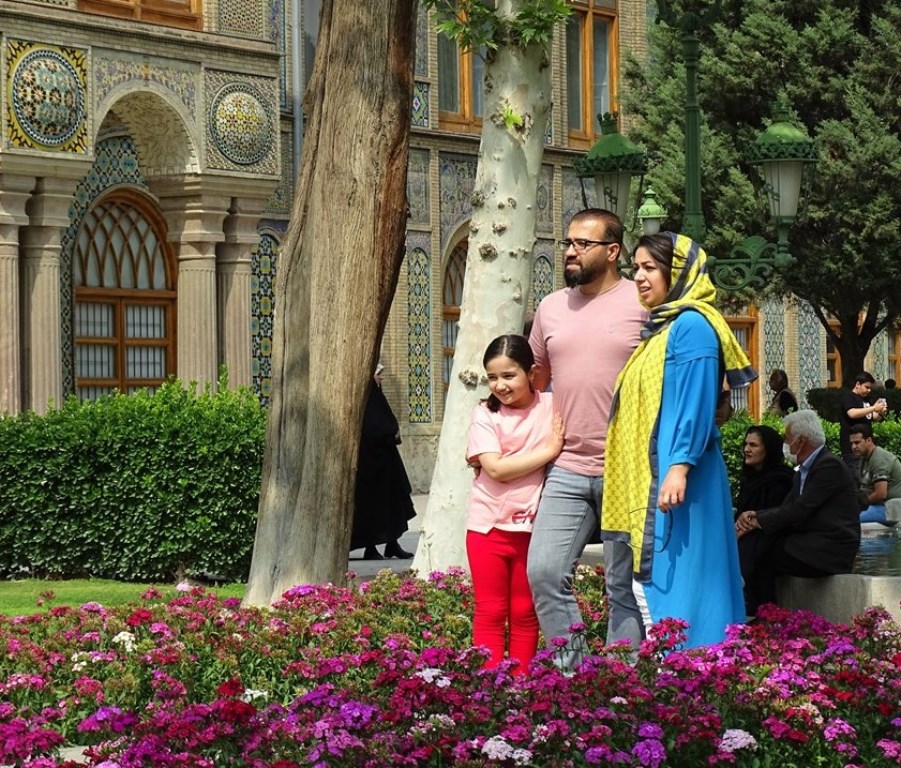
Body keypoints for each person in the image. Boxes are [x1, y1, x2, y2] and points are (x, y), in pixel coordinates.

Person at [601, 232, 754, 649]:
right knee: (670, 583)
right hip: (664, 476)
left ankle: (698, 680)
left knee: (687, 582)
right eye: (636, 268)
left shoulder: (692, 326)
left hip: (678, 481)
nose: (639, 277)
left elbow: (695, 403)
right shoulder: (664, 327)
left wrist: (680, 466)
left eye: (650, 267)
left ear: (679, 272)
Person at [526, 207, 647, 669]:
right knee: (544, 572)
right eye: (568, 243)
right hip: (567, 467)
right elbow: (535, 378)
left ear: (613, 251)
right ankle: (574, 677)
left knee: (623, 584)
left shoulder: (642, 304)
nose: (570, 251)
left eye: (582, 244)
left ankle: (621, 682)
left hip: (628, 471)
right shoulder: (550, 307)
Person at [465, 335, 564, 674]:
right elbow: (495, 468)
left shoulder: (552, 406)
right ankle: (490, 687)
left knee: (525, 611)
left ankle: (521, 685)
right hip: (487, 528)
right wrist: (548, 452)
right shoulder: (484, 414)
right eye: (492, 377)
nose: (500, 385)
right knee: (491, 611)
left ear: (531, 372)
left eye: (509, 375)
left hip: (532, 529)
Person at [736, 410, 860, 617]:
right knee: (760, 545)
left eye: (787, 439)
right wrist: (754, 516)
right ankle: (761, 611)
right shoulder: (804, 470)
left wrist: (757, 520)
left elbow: (800, 509)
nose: (785, 444)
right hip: (808, 542)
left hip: (829, 549)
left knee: (762, 549)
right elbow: (787, 507)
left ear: (800, 441)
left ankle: (763, 613)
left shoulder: (828, 465)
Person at [350, 364, 416, 560]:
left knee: (393, 505)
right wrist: (390, 432)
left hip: (385, 464)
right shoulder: (366, 398)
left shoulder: (376, 397)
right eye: (379, 375)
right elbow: (372, 427)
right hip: (371, 464)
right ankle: (371, 548)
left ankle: (392, 545)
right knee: (373, 507)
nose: (381, 379)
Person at [735, 425, 795, 516]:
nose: (746, 450)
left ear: (769, 449)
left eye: (753, 445)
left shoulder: (782, 480)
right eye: (745, 444)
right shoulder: (749, 478)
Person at [849, 423, 901, 526]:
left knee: (849, 521)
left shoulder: (879, 458)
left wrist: (859, 504)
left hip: (889, 507)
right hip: (877, 506)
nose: (853, 447)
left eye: (857, 442)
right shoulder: (864, 458)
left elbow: (881, 494)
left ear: (869, 440)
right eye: (852, 443)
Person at [839, 372, 887, 467]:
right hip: (852, 448)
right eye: (866, 387)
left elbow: (872, 417)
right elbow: (852, 413)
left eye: (870, 388)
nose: (869, 390)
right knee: (855, 476)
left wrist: (881, 412)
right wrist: (874, 408)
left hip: (867, 447)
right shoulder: (848, 397)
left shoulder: (865, 399)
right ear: (857, 384)